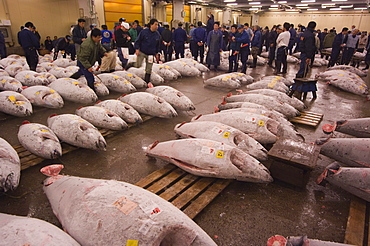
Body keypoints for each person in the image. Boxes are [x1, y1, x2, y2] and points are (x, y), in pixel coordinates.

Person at [133, 18, 161, 83]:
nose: (157, 26)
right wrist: (137, 49)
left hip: (151, 53)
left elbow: (158, 45)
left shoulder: (157, 34)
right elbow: (138, 41)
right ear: (151, 25)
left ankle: (147, 81)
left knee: (149, 68)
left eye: (157, 25)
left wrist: (157, 53)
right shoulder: (144, 32)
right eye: (155, 25)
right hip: (142, 52)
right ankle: (130, 65)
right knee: (138, 65)